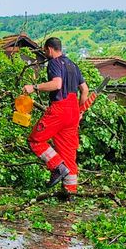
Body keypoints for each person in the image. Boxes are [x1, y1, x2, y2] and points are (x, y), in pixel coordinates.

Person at [23, 37, 89, 195]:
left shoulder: (54, 62)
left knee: (35, 140)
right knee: (68, 153)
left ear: (49, 49)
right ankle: (69, 192)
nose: (45, 53)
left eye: (45, 51)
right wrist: (80, 111)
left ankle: (57, 167)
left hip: (60, 109)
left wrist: (34, 87)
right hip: (73, 111)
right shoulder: (73, 65)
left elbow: (57, 84)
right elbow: (85, 90)